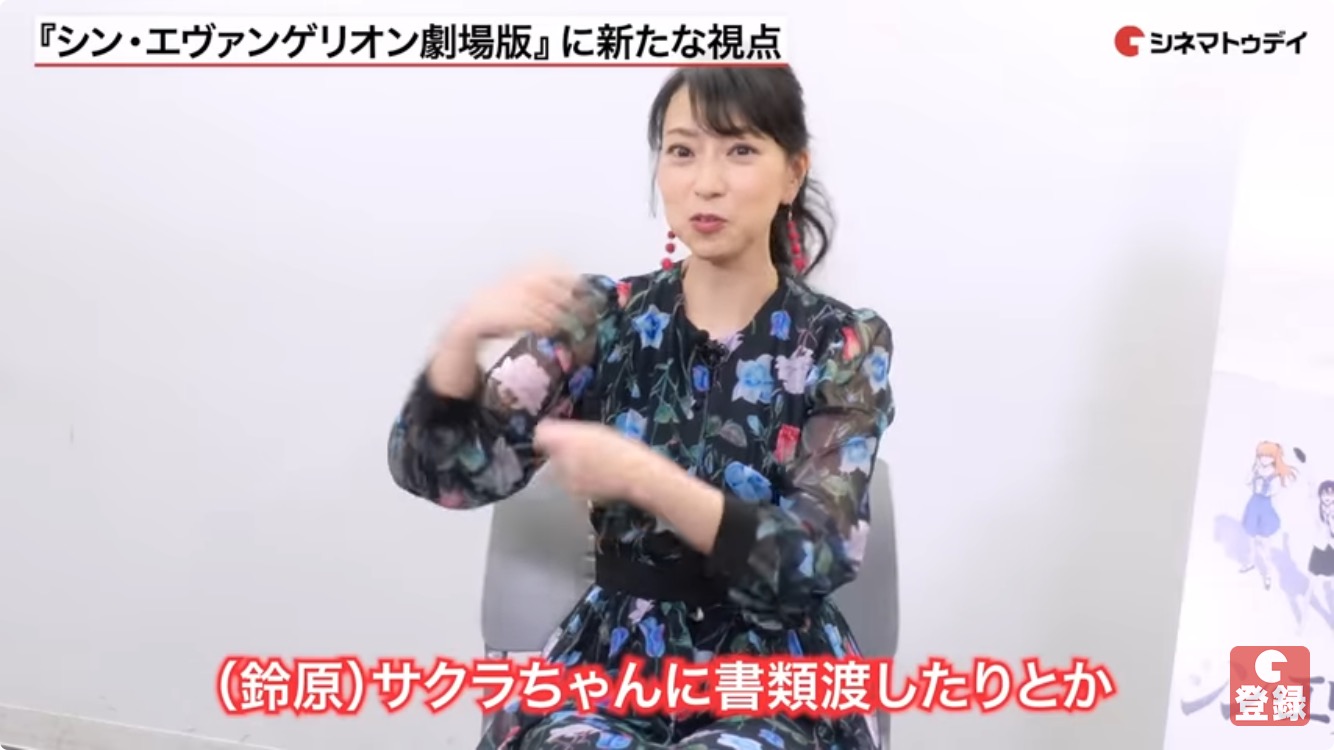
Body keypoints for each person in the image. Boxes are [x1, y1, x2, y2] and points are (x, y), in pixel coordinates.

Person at [387, 65, 896, 750]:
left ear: (792, 174)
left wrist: (646, 479)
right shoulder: (601, 317)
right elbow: (448, 476)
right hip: (612, 663)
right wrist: (462, 338)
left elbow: (818, 555)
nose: (705, 182)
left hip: (776, 675)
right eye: (682, 151)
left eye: (740, 150)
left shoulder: (842, 342)